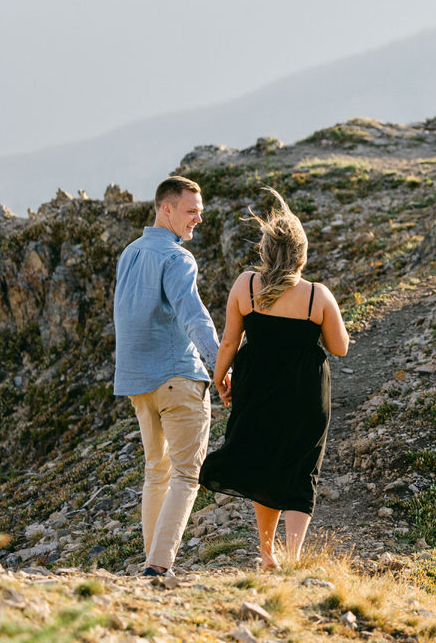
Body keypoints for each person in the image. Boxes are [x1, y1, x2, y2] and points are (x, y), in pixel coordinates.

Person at [198, 189, 349, 568]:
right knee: (301, 468)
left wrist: (220, 379)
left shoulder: (247, 286)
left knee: (265, 462)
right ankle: (293, 555)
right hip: (305, 393)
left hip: (257, 387)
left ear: (266, 249)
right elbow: (340, 347)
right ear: (302, 253)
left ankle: (267, 554)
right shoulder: (318, 296)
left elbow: (230, 340)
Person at [112, 175, 219, 577]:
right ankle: (158, 566)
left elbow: (125, 318)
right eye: (191, 211)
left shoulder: (130, 254)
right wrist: (221, 367)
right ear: (166, 208)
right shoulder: (177, 258)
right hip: (179, 377)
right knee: (187, 473)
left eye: (200, 212)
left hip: (139, 384)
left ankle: (150, 562)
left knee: (156, 472)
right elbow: (194, 316)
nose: (197, 220)